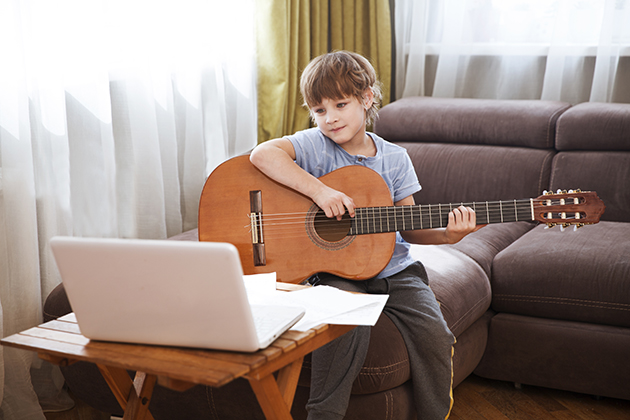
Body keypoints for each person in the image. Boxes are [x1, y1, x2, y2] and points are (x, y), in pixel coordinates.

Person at [249, 51, 479, 420]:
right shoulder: (313, 145)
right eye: (319, 110)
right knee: (344, 321)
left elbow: (409, 225)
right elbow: (263, 155)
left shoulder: (395, 158)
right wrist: (320, 192)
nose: (330, 118)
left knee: (436, 336)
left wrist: (449, 236)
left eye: (340, 104)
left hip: (395, 270)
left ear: (367, 98)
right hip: (334, 272)